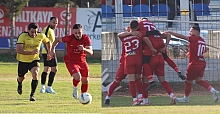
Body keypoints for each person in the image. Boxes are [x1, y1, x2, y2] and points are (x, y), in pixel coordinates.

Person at [166, 25, 219, 103]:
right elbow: (203, 51)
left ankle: (186, 98)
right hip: (202, 62)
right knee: (199, 80)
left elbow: (182, 37)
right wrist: (190, 53)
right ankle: (213, 91)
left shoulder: (193, 39)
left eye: (191, 31)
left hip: (194, 64)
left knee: (188, 81)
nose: (189, 32)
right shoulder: (202, 40)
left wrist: (171, 32)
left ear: (196, 31)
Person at [50, 24, 93, 99]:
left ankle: (83, 96)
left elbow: (91, 52)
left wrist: (84, 49)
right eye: (75, 33)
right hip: (70, 61)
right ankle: (75, 88)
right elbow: (57, 39)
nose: (77, 35)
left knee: (85, 80)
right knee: (77, 77)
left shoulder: (86, 38)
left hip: (82, 61)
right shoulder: (69, 38)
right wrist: (52, 50)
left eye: (79, 33)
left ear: (82, 31)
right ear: (73, 32)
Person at [104, 26, 144, 106]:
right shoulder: (128, 36)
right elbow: (120, 34)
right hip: (124, 63)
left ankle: (139, 98)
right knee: (117, 81)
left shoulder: (127, 37)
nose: (127, 30)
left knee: (136, 79)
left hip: (128, 61)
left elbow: (120, 35)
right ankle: (108, 97)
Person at [16, 23, 51, 101]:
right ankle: (19, 83)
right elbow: (18, 50)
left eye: (35, 32)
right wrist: (30, 52)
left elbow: (48, 42)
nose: (34, 34)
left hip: (34, 60)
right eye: (32, 32)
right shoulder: (23, 36)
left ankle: (32, 95)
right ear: (28, 30)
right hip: (23, 61)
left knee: (35, 74)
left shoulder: (41, 35)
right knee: (21, 77)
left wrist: (49, 52)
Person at [117, 20, 144, 106]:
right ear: (138, 27)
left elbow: (119, 35)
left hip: (129, 59)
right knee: (137, 78)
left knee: (131, 80)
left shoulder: (125, 36)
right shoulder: (139, 35)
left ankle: (135, 100)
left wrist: (129, 33)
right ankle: (140, 96)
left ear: (130, 26)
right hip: (138, 58)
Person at [40, 17, 58, 94]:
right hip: (48, 52)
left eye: (56, 23)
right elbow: (44, 41)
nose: (55, 24)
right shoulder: (47, 29)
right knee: (54, 69)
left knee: (46, 69)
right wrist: (49, 52)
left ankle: (43, 87)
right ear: (50, 21)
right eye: (54, 22)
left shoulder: (51, 30)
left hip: (47, 52)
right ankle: (49, 87)